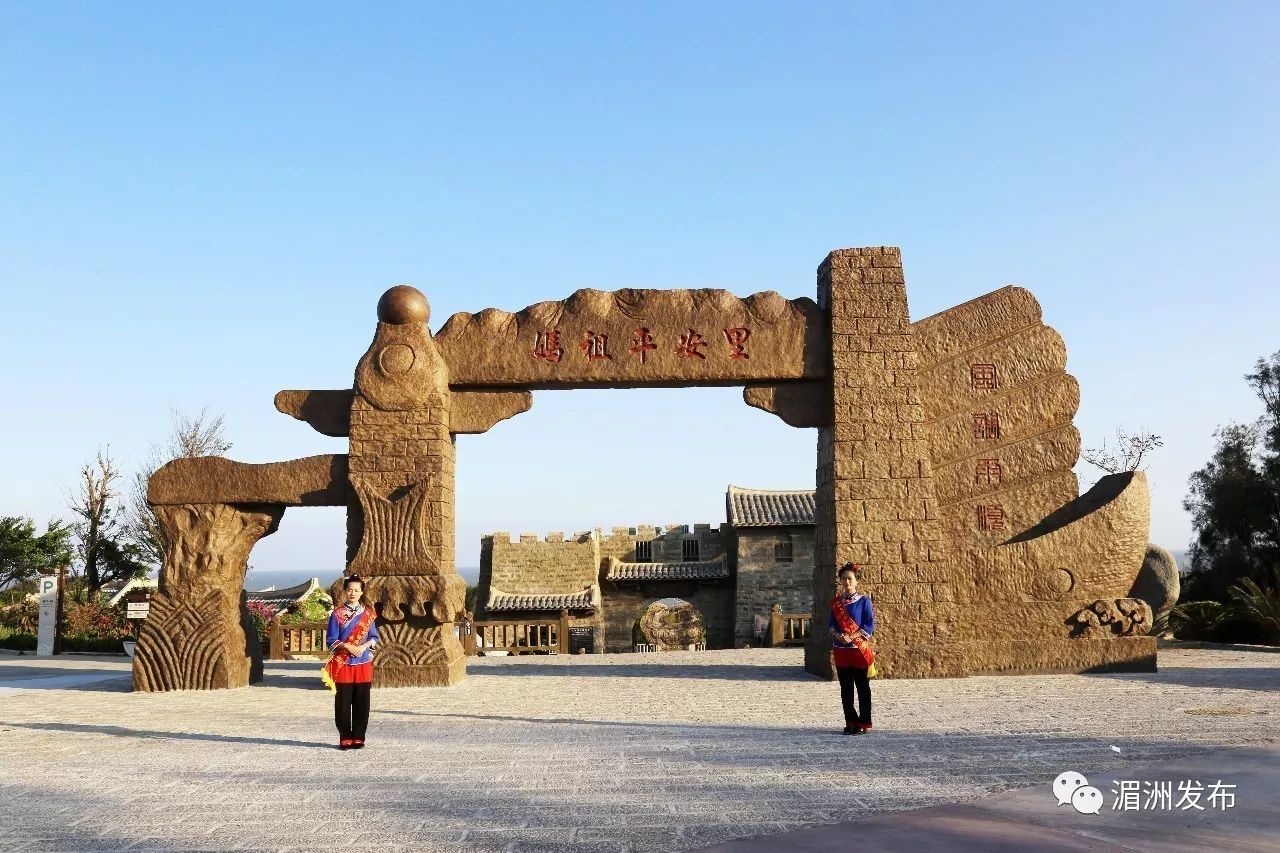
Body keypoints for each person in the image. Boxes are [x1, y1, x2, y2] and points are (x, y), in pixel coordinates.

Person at [324, 574, 379, 750]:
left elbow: (374, 637)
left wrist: (363, 647)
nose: (353, 593)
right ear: (345, 591)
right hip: (344, 663)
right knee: (343, 701)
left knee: (362, 701)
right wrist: (348, 646)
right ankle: (345, 736)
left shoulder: (368, 614)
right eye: (350, 589)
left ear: (362, 592)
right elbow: (331, 640)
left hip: (363, 662)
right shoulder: (337, 614)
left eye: (356, 590)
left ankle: (359, 736)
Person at [829, 562, 875, 735]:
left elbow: (869, 626)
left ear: (856, 581)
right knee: (846, 689)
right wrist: (838, 635)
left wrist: (852, 636)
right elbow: (831, 624)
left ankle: (864, 722)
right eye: (844, 579)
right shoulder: (836, 604)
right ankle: (850, 721)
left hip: (858, 651)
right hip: (841, 650)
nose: (847, 582)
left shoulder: (864, 602)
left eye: (850, 579)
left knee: (863, 688)